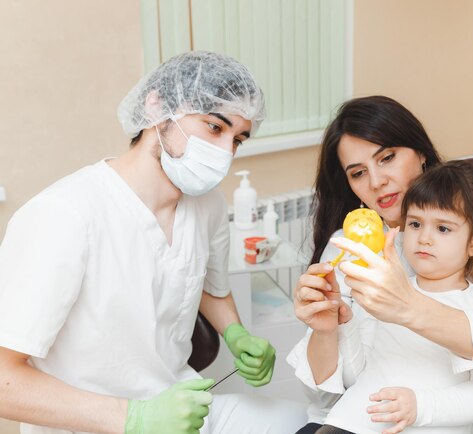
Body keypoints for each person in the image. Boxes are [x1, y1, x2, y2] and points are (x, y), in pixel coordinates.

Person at [0, 51, 306, 434]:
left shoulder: (208, 204)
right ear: (157, 106)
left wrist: (236, 333)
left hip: (180, 406)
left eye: (238, 140)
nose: (226, 151)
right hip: (96, 422)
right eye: (214, 127)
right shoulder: (63, 215)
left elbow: (201, 283)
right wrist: (136, 419)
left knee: (307, 424)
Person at [287, 96, 473, 433]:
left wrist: (410, 307)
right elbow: (330, 396)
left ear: (421, 153)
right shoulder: (348, 245)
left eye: (387, 158)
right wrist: (325, 333)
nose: (376, 181)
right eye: (358, 173)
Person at [301, 160, 473, 434]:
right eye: (415, 223)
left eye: (443, 228)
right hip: (350, 423)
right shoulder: (388, 290)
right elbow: (356, 375)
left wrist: (421, 406)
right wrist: (341, 325)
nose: (424, 238)